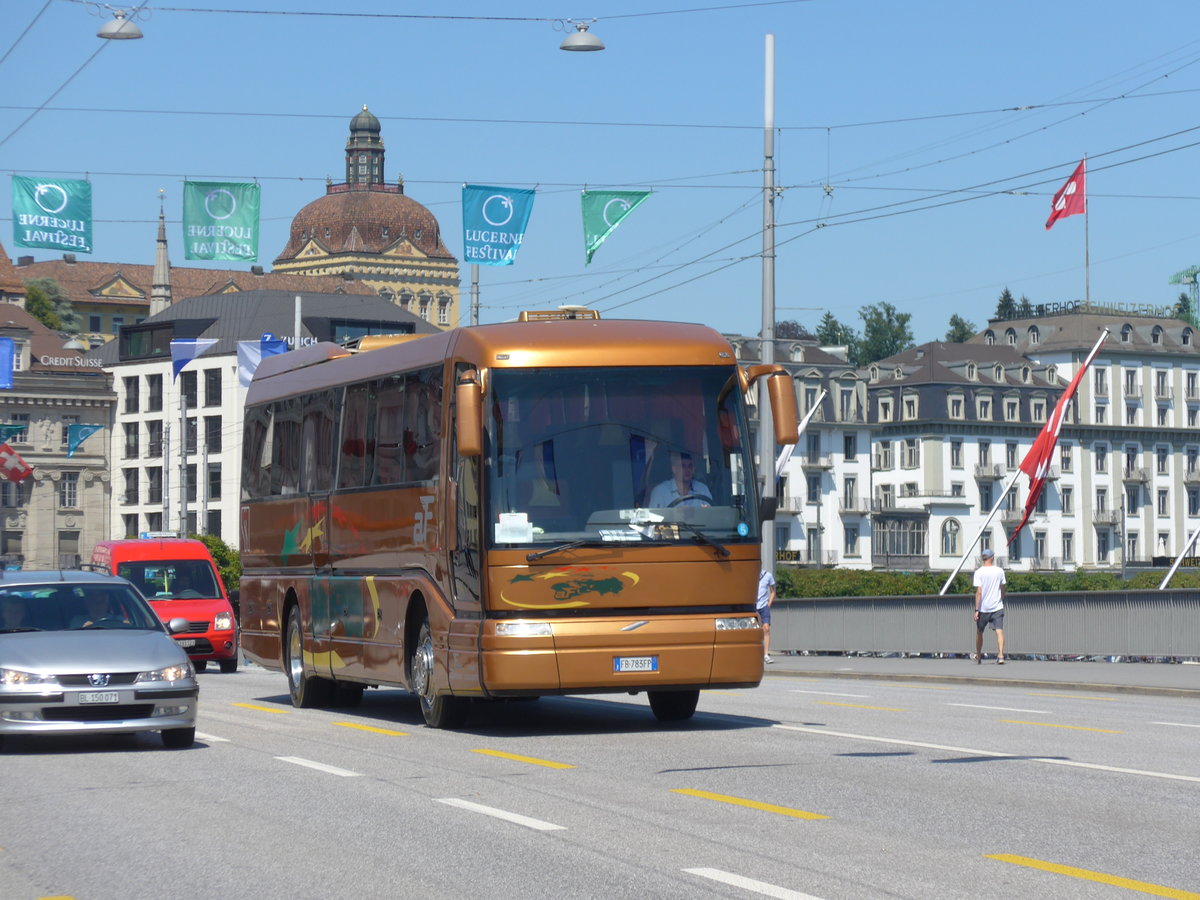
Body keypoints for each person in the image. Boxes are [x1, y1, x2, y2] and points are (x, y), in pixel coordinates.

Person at [972, 548, 1007, 664]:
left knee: (979, 631)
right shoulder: (999, 571)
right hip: (997, 606)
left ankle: (978, 655)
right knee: (999, 631)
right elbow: (1003, 587)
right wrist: (1001, 599)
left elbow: (979, 592)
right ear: (992, 558)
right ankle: (1001, 655)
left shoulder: (978, 572)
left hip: (983, 608)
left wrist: (976, 610)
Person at [648, 451, 712, 508]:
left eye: (690, 466)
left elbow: (711, 516)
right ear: (674, 469)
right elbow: (654, 519)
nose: (687, 470)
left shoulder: (703, 489)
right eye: (683, 466)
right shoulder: (660, 491)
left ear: (693, 469)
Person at [757, 569, 776, 663]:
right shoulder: (750, 574)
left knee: (767, 628)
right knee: (755, 631)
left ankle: (766, 655)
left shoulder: (767, 575)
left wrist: (768, 605)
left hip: (764, 606)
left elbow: (773, 591)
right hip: (753, 606)